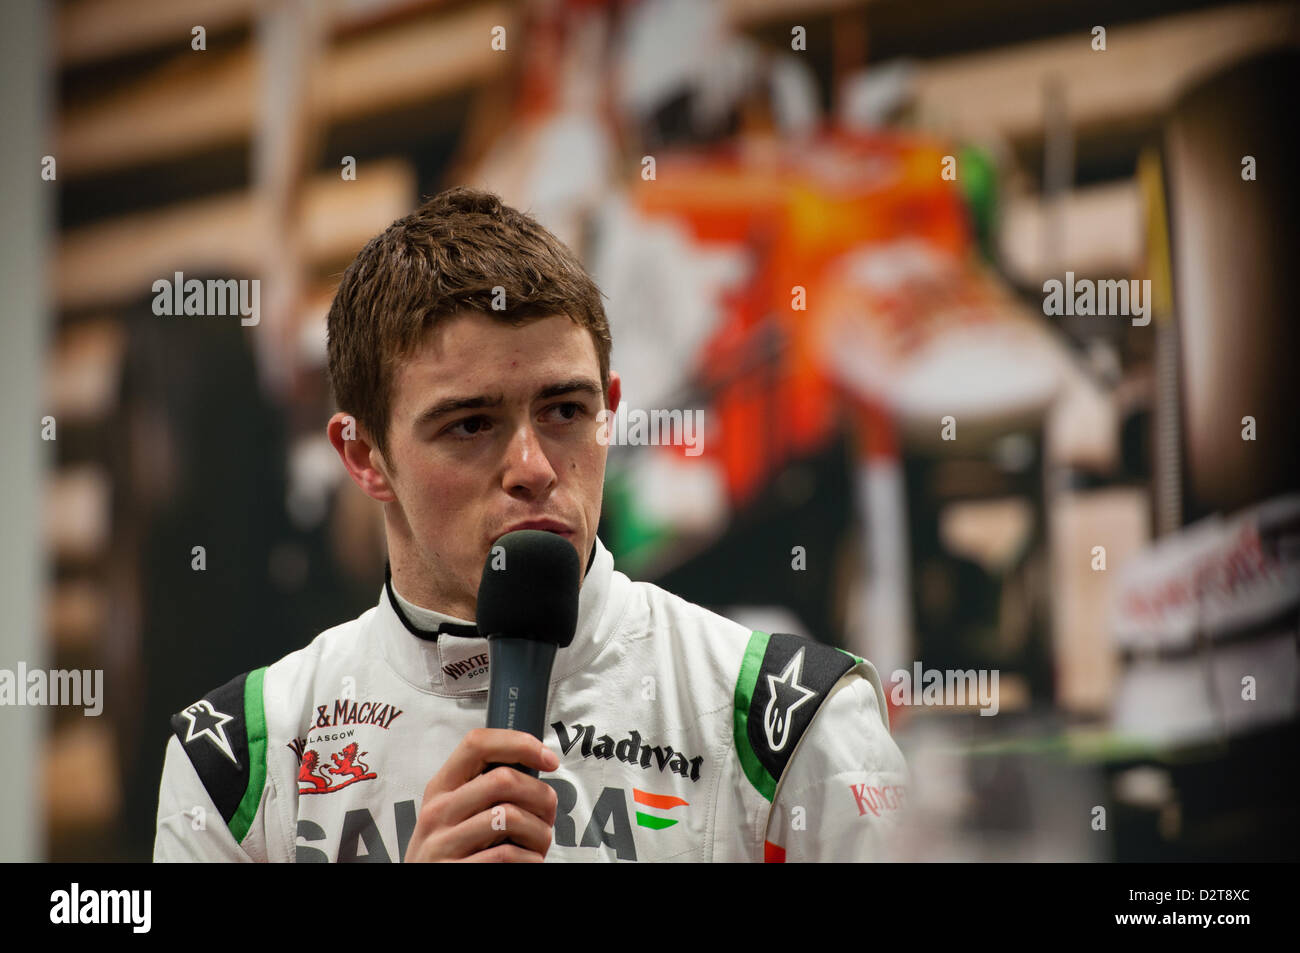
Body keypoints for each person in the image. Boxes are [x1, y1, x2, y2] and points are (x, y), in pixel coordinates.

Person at [153, 187, 908, 862]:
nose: (533, 466)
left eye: (565, 412)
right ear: (364, 455)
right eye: (471, 424)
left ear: (608, 407)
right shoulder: (235, 762)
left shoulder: (788, 721)